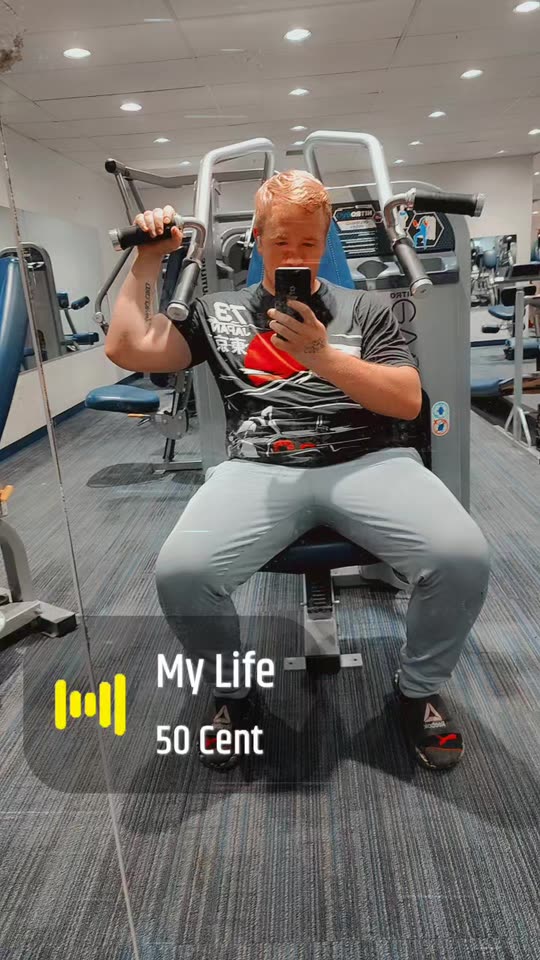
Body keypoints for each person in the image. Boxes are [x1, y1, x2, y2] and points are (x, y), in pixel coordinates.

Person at [106, 170, 491, 773]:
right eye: (282, 241)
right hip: (258, 467)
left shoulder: (366, 307)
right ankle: (235, 695)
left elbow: (407, 401)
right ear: (256, 237)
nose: (295, 255)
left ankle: (417, 692)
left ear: (326, 238)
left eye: (309, 243)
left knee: (462, 556)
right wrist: (147, 260)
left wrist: (322, 357)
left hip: (370, 461)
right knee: (182, 573)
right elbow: (126, 348)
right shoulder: (217, 310)